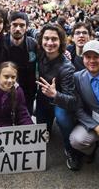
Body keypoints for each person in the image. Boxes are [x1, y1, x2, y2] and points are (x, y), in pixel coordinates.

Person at [44, 40, 99, 179]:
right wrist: (97, 127)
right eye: (88, 57)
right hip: (94, 125)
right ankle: (92, 147)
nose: (92, 60)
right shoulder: (77, 78)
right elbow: (78, 109)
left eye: (96, 56)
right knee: (76, 140)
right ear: (83, 58)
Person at [35, 23, 80, 171]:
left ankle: (71, 150)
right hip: (42, 100)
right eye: (46, 38)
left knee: (63, 120)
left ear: (61, 41)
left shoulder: (67, 67)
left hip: (61, 103)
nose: (49, 43)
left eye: (54, 39)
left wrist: (55, 94)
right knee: (43, 131)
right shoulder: (39, 53)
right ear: (41, 40)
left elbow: (72, 101)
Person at [3, 11, 37, 115]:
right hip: (4, 90)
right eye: (14, 25)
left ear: (27, 27)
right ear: (9, 26)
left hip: (28, 92)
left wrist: (64, 53)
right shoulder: (0, 44)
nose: (18, 29)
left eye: (22, 25)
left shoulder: (34, 44)